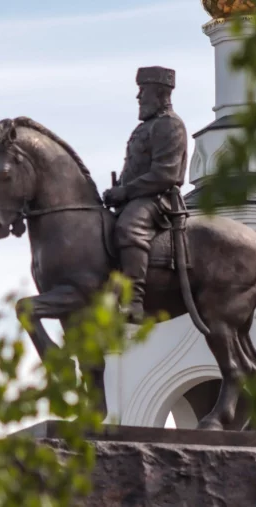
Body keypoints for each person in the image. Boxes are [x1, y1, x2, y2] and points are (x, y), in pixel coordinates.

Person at [102, 66, 188, 323]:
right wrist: (117, 193)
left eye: (143, 92)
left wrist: (126, 191)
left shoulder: (171, 125)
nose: (138, 98)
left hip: (159, 200)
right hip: (136, 197)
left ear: (161, 94)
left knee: (129, 227)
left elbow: (166, 174)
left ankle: (134, 300)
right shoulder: (147, 127)